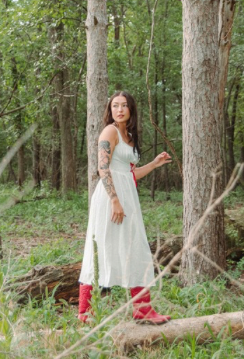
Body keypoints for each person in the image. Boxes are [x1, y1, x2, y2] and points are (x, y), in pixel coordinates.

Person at [76, 91, 173, 325]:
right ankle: (85, 312)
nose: (119, 110)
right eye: (115, 105)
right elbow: (103, 168)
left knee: (136, 247)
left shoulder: (128, 135)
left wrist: (154, 164)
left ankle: (142, 309)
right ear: (110, 110)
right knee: (100, 247)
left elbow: (129, 174)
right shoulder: (109, 131)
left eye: (124, 105)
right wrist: (114, 200)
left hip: (128, 197)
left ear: (131, 109)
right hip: (110, 199)